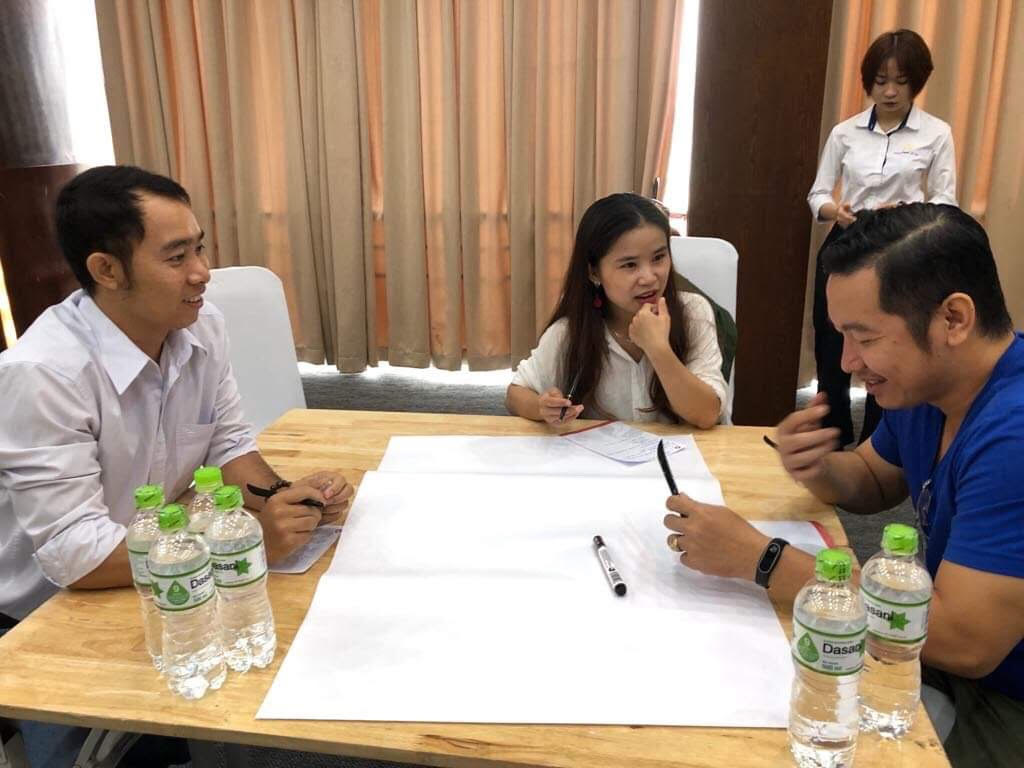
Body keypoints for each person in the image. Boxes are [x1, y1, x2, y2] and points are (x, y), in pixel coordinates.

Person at [0, 165, 354, 766]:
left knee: (256, 685)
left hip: (159, 566)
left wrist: (283, 497)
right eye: (176, 256)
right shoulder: (45, 374)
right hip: (46, 608)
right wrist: (239, 543)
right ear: (106, 270)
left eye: (200, 248)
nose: (202, 272)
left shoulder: (200, 326)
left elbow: (227, 443)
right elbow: (74, 556)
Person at [663, 204, 1024, 767]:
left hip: (1000, 691)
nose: (850, 362)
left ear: (953, 319)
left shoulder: (1013, 436)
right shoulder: (929, 387)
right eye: (842, 337)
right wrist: (822, 469)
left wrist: (761, 560)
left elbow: (965, 641)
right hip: (932, 655)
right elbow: (875, 478)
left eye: (866, 337)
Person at [807, 28, 956, 447]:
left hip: (899, 248)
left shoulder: (936, 133)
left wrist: (905, 211)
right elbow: (818, 193)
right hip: (846, 240)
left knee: (889, 342)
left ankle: (879, 439)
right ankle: (833, 432)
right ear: (868, 81)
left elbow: (946, 200)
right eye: (880, 81)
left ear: (918, 81)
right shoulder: (845, 132)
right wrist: (834, 210)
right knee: (832, 339)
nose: (890, 92)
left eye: (901, 82)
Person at [506, 193, 726, 428]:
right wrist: (541, 406)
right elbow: (516, 393)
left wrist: (658, 349)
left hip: (682, 451)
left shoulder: (693, 312)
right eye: (630, 265)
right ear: (594, 272)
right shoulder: (571, 330)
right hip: (602, 451)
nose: (649, 278)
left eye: (659, 257)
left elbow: (707, 414)